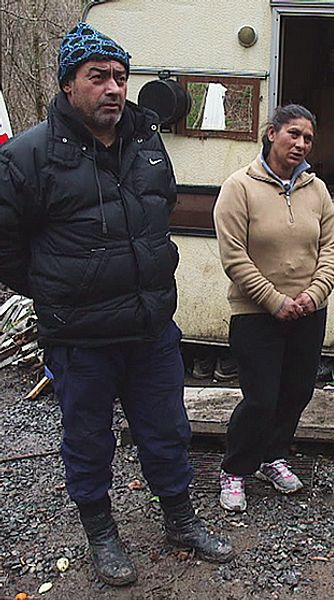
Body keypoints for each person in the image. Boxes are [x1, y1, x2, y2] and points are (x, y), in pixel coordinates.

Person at [0, 23, 233, 586]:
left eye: (121, 77)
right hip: (80, 338)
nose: (112, 87)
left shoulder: (147, 142)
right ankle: (102, 535)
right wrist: (60, 291)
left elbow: (161, 210)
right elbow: (5, 248)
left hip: (151, 327)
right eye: (97, 76)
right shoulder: (29, 156)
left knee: (167, 429)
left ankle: (180, 521)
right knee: (88, 438)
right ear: (68, 84)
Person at [213, 104, 334, 512]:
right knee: (261, 398)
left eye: (308, 139)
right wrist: (274, 300)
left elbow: (330, 250)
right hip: (256, 314)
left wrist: (313, 295)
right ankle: (235, 469)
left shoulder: (316, 190)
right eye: (293, 134)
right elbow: (234, 256)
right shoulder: (239, 187)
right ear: (271, 134)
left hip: (307, 312)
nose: (301, 144)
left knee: (297, 391)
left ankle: (273, 457)